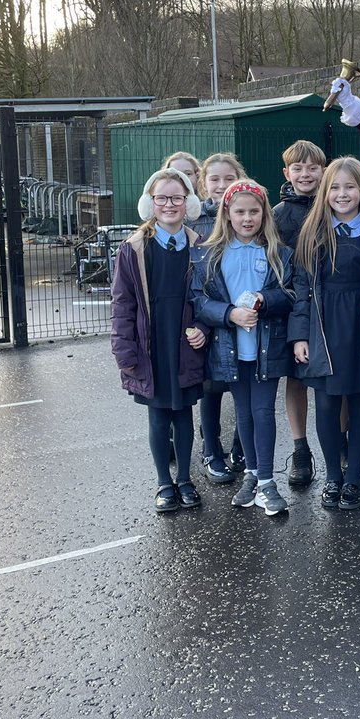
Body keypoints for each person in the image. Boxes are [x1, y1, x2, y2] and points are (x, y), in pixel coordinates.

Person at [192, 180, 296, 515]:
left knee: (263, 411)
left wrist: (266, 300)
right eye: (240, 212)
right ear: (228, 213)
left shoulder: (278, 253)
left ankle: (266, 481)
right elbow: (199, 300)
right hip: (230, 348)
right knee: (243, 413)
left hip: (266, 347)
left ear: (265, 214)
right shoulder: (211, 254)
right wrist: (229, 314)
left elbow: (292, 294)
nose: (247, 218)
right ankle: (251, 474)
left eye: (254, 211)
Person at [110, 168, 207, 513]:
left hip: (184, 345)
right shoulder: (133, 249)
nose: (169, 204)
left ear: (188, 203)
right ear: (150, 203)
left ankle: (185, 479)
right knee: (158, 416)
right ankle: (164, 483)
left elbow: (210, 297)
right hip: (151, 346)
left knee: (183, 413)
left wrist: (204, 329)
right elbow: (123, 303)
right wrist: (125, 350)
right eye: (162, 198)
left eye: (177, 198)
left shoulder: (201, 246)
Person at [291, 157, 360, 510]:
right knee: (327, 404)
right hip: (323, 328)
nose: (342, 194)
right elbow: (301, 290)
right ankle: (333, 475)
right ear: (324, 192)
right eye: (335, 188)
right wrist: (300, 336)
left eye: (350, 187)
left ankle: (355, 476)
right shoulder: (312, 233)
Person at [190, 152, 248, 483]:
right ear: (203, 183)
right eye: (214, 179)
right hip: (209, 319)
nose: (222, 185)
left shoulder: (247, 216)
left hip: (243, 320)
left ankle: (241, 447)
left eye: (229, 178)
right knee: (211, 390)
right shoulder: (195, 222)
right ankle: (211, 450)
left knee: (243, 386)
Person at [273, 140, 326, 489]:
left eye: (312, 167)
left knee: (331, 384)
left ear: (323, 170)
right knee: (296, 380)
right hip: (293, 306)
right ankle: (301, 448)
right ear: (287, 173)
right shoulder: (276, 215)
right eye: (298, 168)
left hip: (332, 306)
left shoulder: (335, 204)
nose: (305, 174)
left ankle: (339, 444)